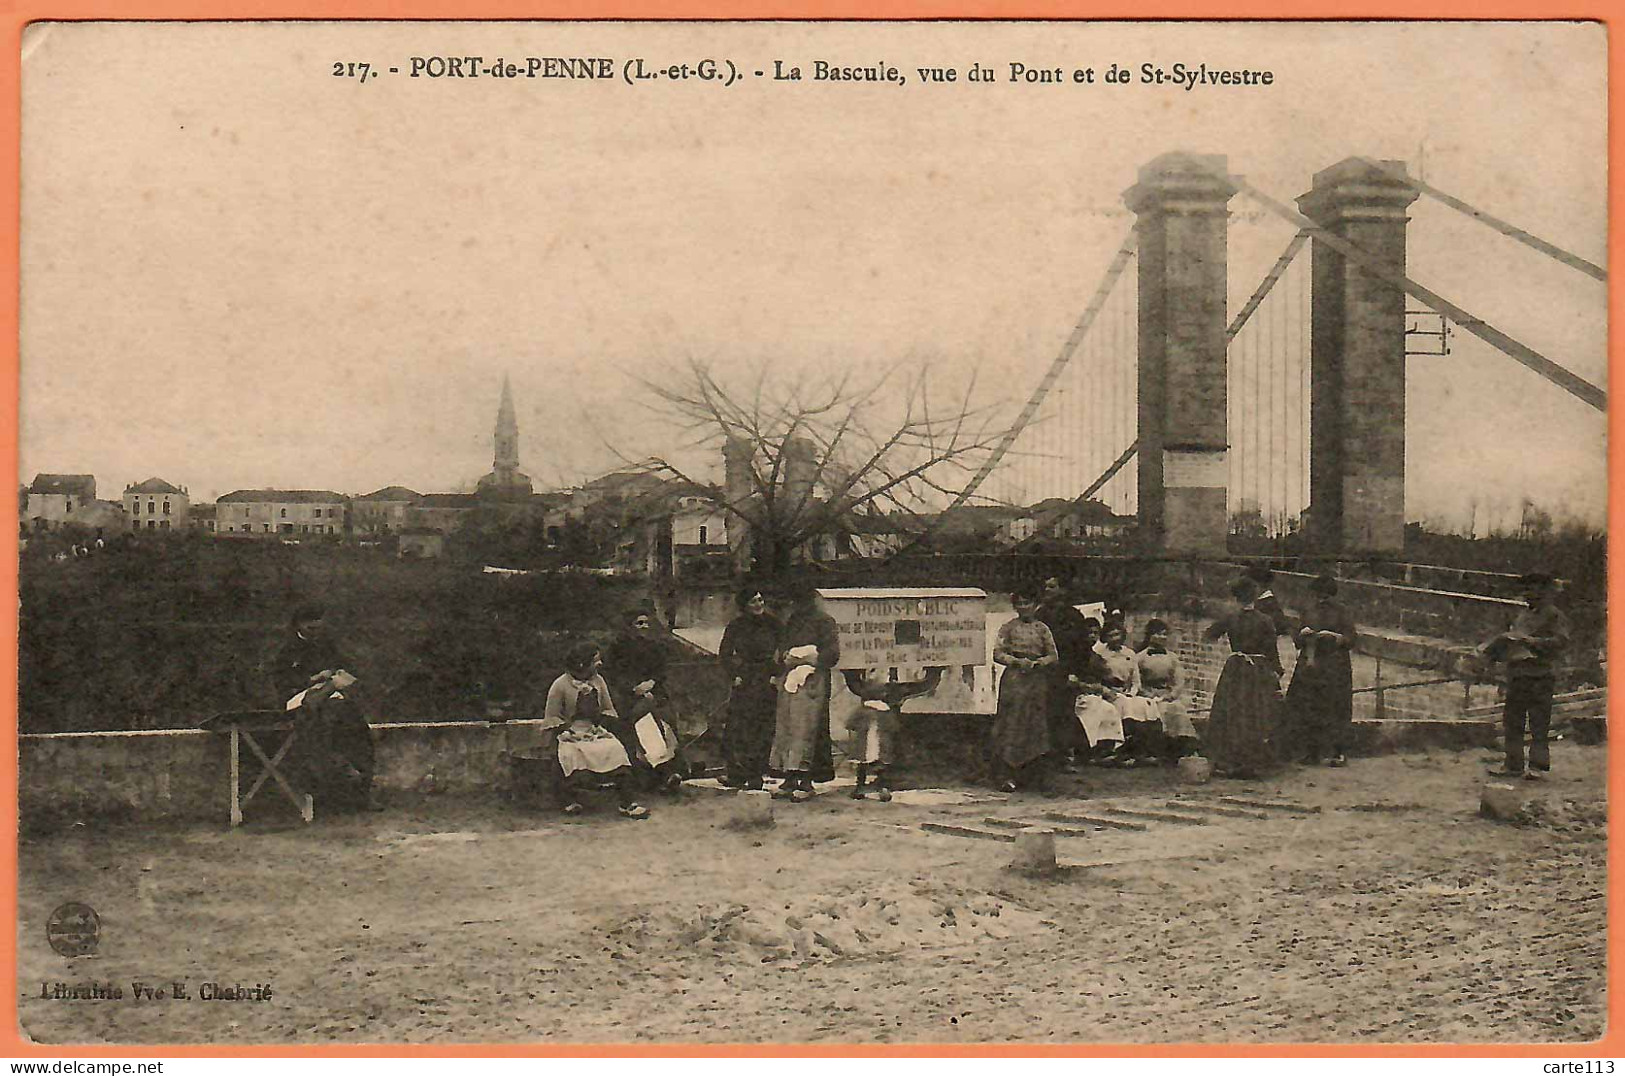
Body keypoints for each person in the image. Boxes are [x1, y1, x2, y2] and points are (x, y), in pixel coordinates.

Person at [273, 603, 381, 812]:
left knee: (357, 729)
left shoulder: (326, 644)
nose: (315, 632)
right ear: (299, 625)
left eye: (318, 627)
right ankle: (332, 789)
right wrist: (312, 678)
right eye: (310, 628)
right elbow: (282, 682)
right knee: (323, 719)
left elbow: (345, 666)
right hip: (299, 698)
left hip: (330, 698)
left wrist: (336, 673)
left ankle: (362, 793)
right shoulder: (287, 649)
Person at [542, 642, 650, 818]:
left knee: (616, 748)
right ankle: (568, 800)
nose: (599, 664)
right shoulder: (560, 685)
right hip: (569, 733)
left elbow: (608, 708)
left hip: (594, 730)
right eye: (595, 661)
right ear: (582, 664)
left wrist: (600, 727)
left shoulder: (598, 681)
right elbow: (552, 717)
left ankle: (627, 803)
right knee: (571, 753)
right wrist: (568, 731)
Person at [1481, 573, 1571, 780]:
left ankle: (1538, 767)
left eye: (1535, 589)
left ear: (1546, 591)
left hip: (1540, 675)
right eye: (1527, 590)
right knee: (1513, 721)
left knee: (1539, 723)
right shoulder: (1522, 616)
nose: (1529, 594)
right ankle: (1513, 765)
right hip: (1517, 674)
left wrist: (1530, 641)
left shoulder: (1554, 615)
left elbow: (1561, 642)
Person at [1202, 577, 1284, 779]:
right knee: (1254, 713)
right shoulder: (1265, 620)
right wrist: (1276, 671)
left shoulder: (1230, 618)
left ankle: (1229, 760)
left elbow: (1209, 635)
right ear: (1255, 597)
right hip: (1256, 669)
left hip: (1235, 667)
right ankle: (1250, 762)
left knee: (1231, 712)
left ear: (1237, 598)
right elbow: (1271, 651)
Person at [768, 585, 840, 802]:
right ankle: (789, 779)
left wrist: (808, 659)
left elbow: (832, 654)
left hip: (813, 682)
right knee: (787, 728)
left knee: (808, 729)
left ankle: (806, 781)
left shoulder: (825, 622)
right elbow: (782, 649)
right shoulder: (793, 621)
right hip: (791, 680)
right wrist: (785, 659)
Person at [604, 604, 685, 794]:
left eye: (646, 623)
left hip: (653, 692)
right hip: (627, 696)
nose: (644, 627)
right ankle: (663, 772)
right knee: (645, 722)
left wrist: (652, 683)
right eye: (639, 623)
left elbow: (661, 670)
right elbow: (613, 674)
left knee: (665, 721)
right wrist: (634, 688)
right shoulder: (617, 648)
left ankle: (669, 770)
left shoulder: (653, 646)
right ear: (630, 626)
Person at [1284, 573, 1358, 767]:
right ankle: (1312, 752)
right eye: (1319, 595)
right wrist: (1302, 634)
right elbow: (1298, 642)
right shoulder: (1308, 611)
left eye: (1325, 595)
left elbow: (1352, 639)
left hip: (1335, 666)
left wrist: (1334, 636)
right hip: (1312, 665)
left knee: (1337, 709)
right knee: (1311, 708)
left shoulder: (1342, 611)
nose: (1321, 599)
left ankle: (1338, 752)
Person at [989, 587, 1057, 793]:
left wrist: (1039, 664)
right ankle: (1007, 775)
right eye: (1019, 603)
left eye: (1027, 602)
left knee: (1035, 725)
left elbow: (1053, 655)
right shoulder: (1008, 628)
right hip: (1014, 680)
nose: (1023, 607)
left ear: (1035, 605)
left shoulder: (1043, 629)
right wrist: (1017, 662)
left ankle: (1033, 775)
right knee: (1011, 724)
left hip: (1036, 681)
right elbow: (997, 653)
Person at [717, 587, 782, 790]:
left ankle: (756, 776)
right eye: (753, 601)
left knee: (761, 729)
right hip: (744, 679)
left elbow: (784, 649)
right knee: (738, 729)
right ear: (744, 605)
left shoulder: (774, 624)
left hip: (766, 679)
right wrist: (734, 674)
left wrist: (776, 674)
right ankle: (736, 774)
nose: (758, 605)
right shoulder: (736, 626)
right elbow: (725, 653)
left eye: (760, 600)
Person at [1036, 575, 1092, 768]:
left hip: (1067, 673)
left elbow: (1083, 649)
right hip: (1045, 672)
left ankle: (1065, 757)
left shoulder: (1074, 617)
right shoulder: (1040, 615)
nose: (1047, 590)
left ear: (1063, 590)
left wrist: (1076, 672)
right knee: (1044, 713)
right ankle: (1044, 755)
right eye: (1046, 586)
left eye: (1052, 586)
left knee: (1064, 714)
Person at [1071, 617, 1127, 764]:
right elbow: (1072, 679)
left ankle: (1104, 749)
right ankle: (1086, 749)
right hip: (1078, 695)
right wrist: (1090, 687)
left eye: (1095, 633)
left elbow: (1105, 676)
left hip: (1094, 694)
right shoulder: (1074, 654)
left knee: (1109, 709)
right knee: (1094, 707)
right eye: (1089, 633)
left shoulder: (1096, 657)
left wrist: (1113, 683)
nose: (1092, 637)